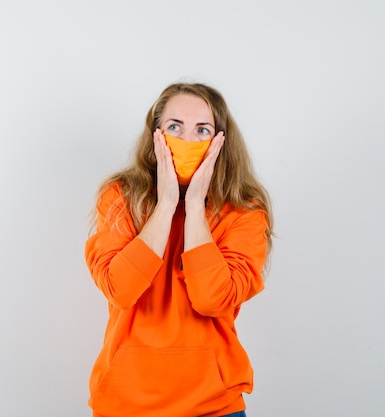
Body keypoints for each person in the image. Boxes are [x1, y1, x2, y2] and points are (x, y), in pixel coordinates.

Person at [84, 82, 273, 417]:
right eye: (175, 127)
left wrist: (196, 204)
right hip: (125, 404)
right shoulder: (120, 198)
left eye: (202, 130)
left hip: (214, 406)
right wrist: (168, 202)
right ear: (156, 134)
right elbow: (121, 290)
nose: (187, 141)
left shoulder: (244, 210)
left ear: (220, 141)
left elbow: (212, 299)